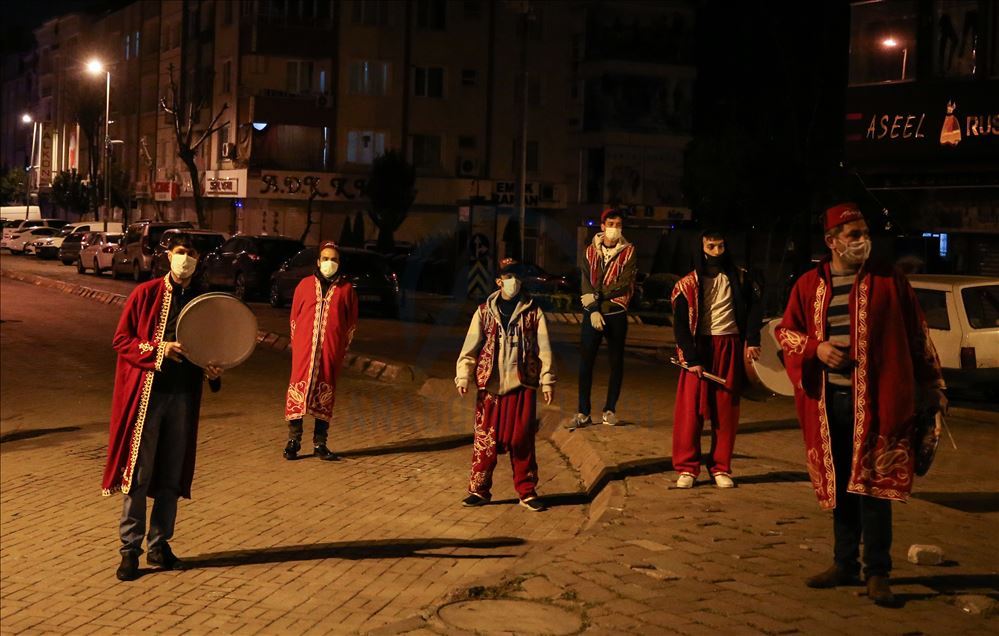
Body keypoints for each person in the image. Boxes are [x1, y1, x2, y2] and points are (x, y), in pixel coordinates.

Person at [776, 202, 946, 607]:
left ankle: (878, 572)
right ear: (832, 241)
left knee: (875, 487)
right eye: (854, 235)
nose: (863, 241)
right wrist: (816, 349)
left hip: (881, 401)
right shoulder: (808, 286)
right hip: (830, 402)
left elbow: (917, 334)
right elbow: (785, 332)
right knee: (842, 486)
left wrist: (934, 387)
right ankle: (844, 563)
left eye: (865, 233)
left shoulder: (890, 281)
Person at [103, 234, 223, 582]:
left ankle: (159, 545)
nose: (186, 259)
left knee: (171, 474)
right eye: (180, 253)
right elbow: (121, 340)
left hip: (183, 396)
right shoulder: (146, 294)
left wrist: (213, 371)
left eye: (192, 254)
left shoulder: (203, 302)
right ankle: (129, 550)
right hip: (148, 396)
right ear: (168, 256)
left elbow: (210, 347)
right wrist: (159, 349)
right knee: (139, 475)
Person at [455, 259, 556, 512]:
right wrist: (463, 374)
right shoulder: (484, 311)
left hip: (522, 383)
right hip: (490, 385)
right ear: (499, 281)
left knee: (522, 439)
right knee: (485, 440)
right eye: (509, 277)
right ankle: (479, 490)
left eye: (518, 277)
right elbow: (470, 346)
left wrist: (547, 380)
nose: (514, 282)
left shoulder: (533, 312)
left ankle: (527, 491)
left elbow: (544, 348)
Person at [670, 229, 763, 489]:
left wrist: (753, 338)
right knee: (691, 411)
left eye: (721, 246)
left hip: (729, 344)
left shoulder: (741, 278)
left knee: (726, 411)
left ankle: (721, 467)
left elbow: (757, 306)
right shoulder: (686, 285)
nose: (716, 252)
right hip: (700, 347)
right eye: (711, 246)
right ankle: (688, 468)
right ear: (700, 248)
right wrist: (691, 356)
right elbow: (679, 325)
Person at [284, 241, 358, 461]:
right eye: (325, 258)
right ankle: (293, 440)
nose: (329, 263)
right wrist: (298, 346)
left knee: (324, 392)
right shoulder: (304, 285)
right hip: (304, 350)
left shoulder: (346, 290)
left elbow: (351, 324)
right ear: (318, 261)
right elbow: (294, 318)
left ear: (339, 263)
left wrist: (340, 350)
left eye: (334, 259)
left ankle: (320, 443)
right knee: (298, 389)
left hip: (330, 351)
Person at [569, 208, 637, 429]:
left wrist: (599, 297)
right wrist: (593, 307)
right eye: (611, 224)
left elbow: (624, 283)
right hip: (593, 313)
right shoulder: (590, 251)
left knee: (616, 363)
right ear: (602, 226)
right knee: (585, 363)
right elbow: (586, 281)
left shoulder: (628, 251)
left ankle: (609, 409)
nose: (614, 228)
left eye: (618, 224)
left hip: (616, 313)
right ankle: (583, 412)